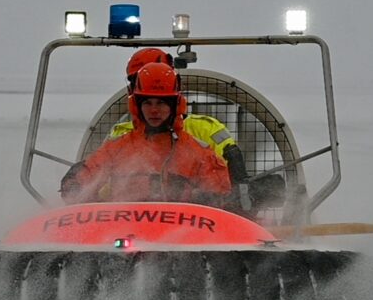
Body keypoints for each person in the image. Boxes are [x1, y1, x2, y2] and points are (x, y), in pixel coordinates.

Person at [61, 62, 231, 205]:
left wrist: (202, 198)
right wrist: (74, 184)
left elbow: (220, 198)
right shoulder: (118, 147)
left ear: (175, 106)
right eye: (148, 103)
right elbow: (90, 171)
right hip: (122, 226)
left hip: (180, 230)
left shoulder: (198, 153)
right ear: (137, 106)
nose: (154, 110)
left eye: (161, 103)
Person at [111, 48, 250, 187]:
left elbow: (235, 183)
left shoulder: (208, 130)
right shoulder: (120, 134)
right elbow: (106, 187)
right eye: (139, 82)